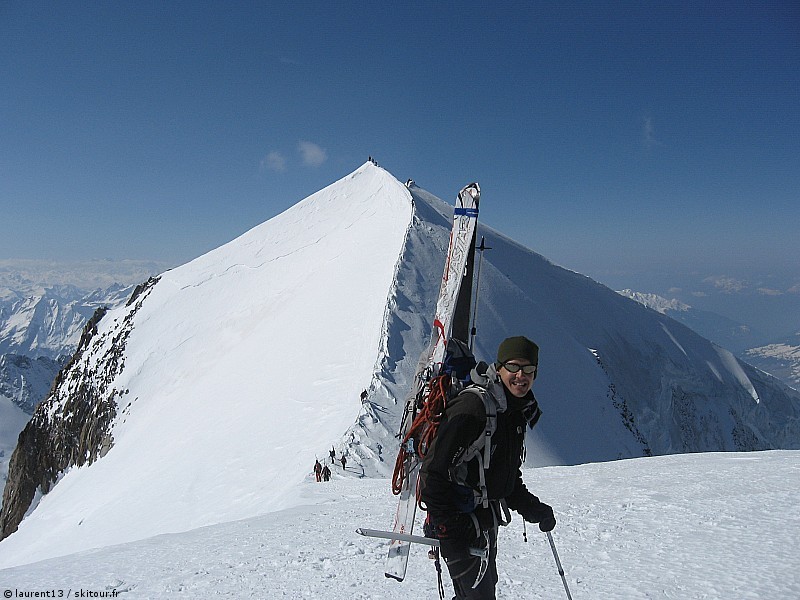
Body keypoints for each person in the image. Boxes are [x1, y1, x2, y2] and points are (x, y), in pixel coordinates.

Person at [420, 336, 556, 600]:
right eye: (514, 367)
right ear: (500, 367)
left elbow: (505, 478)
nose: (521, 375)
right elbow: (434, 473)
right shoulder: (474, 408)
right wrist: (449, 528)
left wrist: (533, 509)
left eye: (528, 370)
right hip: (459, 521)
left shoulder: (514, 411)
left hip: (483, 520)